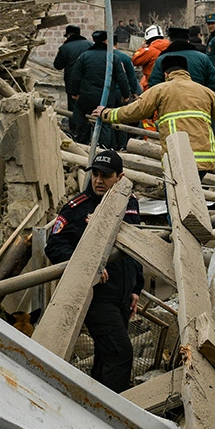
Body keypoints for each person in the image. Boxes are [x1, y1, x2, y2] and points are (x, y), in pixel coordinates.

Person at [44, 150, 143, 392]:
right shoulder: (77, 208)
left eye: (105, 176)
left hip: (122, 295)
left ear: (120, 178)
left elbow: (136, 248)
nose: (98, 181)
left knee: (106, 355)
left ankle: (93, 404)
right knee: (120, 353)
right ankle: (113, 414)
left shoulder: (129, 203)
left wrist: (136, 288)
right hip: (96, 297)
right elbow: (54, 246)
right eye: (95, 175)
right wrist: (89, 266)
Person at [97, 54, 215, 174]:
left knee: (176, 203)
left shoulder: (161, 90)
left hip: (178, 158)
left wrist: (106, 114)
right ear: (186, 72)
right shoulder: (205, 92)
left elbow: (134, 111)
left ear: (165, 74)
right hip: (204, 159)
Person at [67, 31, 137, 147]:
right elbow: (122, 78)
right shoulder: (113, 57)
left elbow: (75, 77)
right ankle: (103, 149)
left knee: (82, 119)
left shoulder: (84, 56)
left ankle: (81, 146)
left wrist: (75, 93)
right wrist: (125, 95)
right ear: (106, 41)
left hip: (87, 97)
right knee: (105, 123)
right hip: (106, 98)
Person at [147, 26, 215, 94]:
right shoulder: (202, 58)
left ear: (170, 41)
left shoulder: (161, 59)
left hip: (170, 106)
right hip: (199, 104)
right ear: (188, 41)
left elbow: (154, 86)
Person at [53, 25, 93, 135]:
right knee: (89, 109)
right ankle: (89, 134)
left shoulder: (65, 48)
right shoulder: (90, 45)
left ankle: (75, 133)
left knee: (74, 110)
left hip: (72, 85)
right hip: (89, 84)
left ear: (69, 35)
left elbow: (57, 65)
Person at [132, 25, 170, 91]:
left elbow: (135, 60)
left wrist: (142, 48)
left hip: (151, 86)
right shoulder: (169, 47)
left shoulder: (150, 51)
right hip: (167, 85)